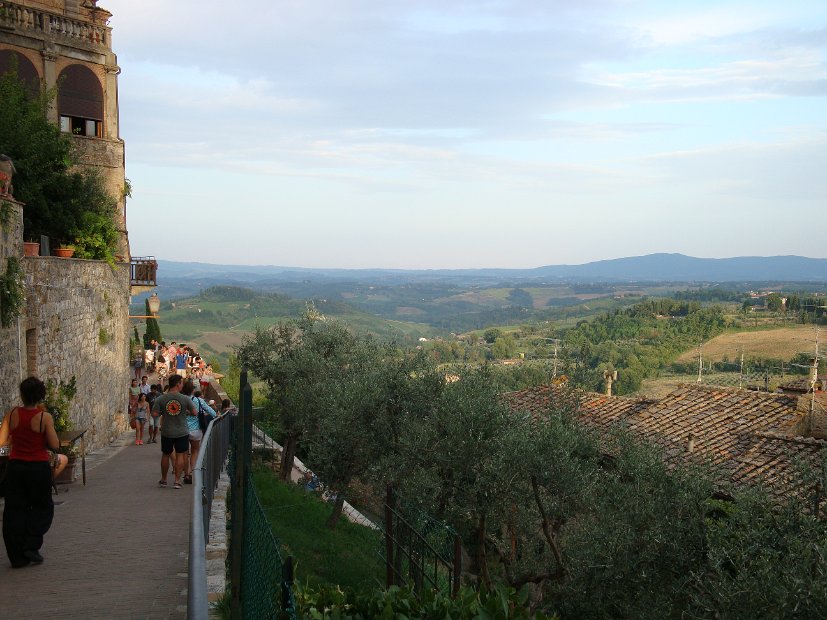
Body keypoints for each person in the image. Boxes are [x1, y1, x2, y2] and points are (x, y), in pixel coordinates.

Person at [0, 377, 68, 568]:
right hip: (37, 468)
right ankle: (31, 544)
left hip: (15, 468)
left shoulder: (11, 414)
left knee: (14, 510)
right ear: (40, 395)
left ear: (22, 394)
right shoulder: (43, 418)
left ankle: (16, 556)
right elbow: (55, 445)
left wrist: (17, 440)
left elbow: (1, 441)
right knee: (42, 507)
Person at [151, 374, 195, 489]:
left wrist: (164, 412)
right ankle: (177, 481)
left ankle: (164, 480)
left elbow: (154, 414)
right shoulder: (185, 399)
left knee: (166, 454)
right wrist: (186, 412)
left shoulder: (161, 399)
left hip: (167, 431)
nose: (182, 386)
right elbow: (194, 412)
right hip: (182, 431)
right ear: (177, 384)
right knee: (180, 454)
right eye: (181, 383)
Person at [180, 382, 215, 484]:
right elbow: (211, 412)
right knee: (195, 451)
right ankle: (192, 472)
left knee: (185, 453)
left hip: (183, 429)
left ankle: (186, 474)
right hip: (196, 430)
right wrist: (217, 415)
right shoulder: (198, 400)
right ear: (192, 390)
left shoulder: (180, 400)